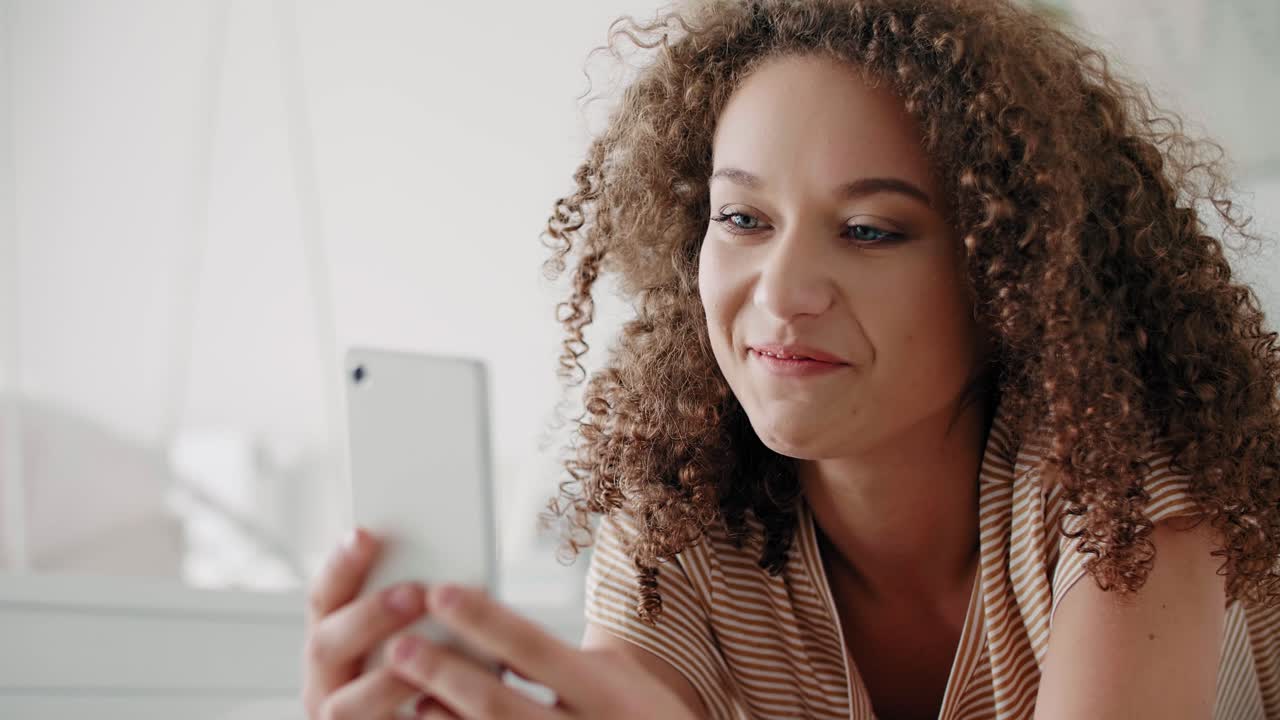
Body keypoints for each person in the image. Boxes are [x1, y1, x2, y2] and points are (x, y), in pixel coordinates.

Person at [300, 0, 1280, 717]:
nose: (776, 291)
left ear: (1007, 276)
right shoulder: (681, 499)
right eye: (740, 219)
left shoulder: (1119, 496)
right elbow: (630, 697)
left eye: (867, 230)